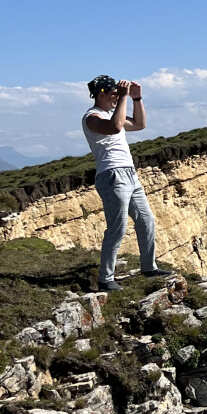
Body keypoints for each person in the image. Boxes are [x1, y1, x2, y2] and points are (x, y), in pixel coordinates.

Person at [83, 74, 171, 291]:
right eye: (112, 93)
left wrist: (136, 99)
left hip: (129, 174)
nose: (115, 97)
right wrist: (124, 97)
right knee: (118, 227)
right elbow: (115, 127)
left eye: (117, 93)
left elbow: (140, 124)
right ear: (101, 93)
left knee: (146, 220)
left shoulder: (115, 113)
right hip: (112, 175)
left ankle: (148, 267)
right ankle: (106, 279)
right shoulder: (91, 117)